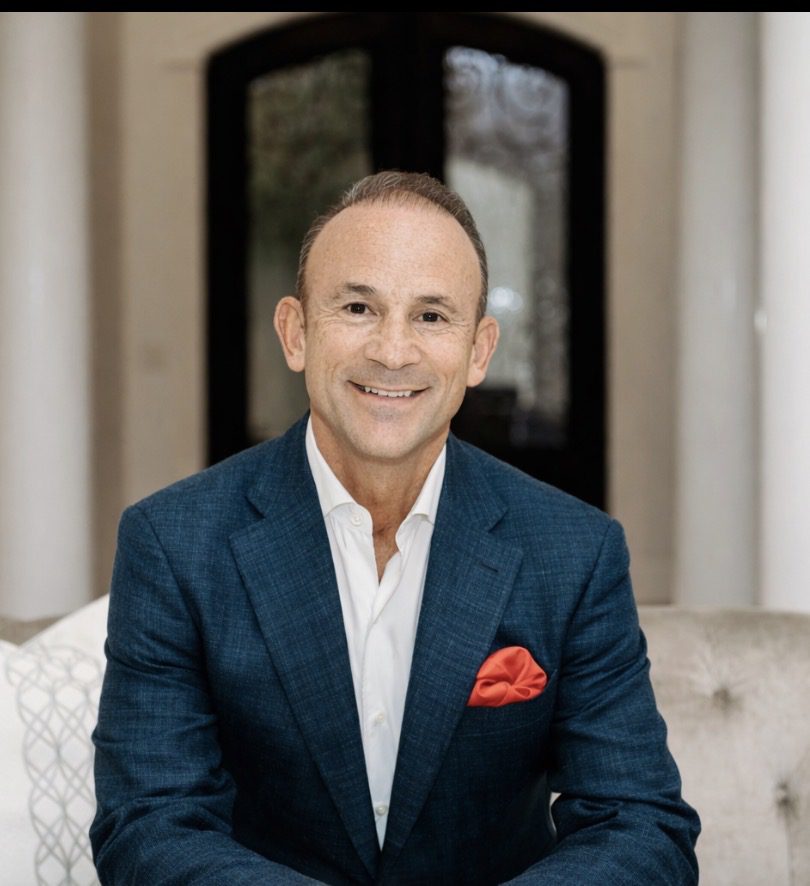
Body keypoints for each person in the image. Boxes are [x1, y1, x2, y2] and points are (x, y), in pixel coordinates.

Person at [90, 171, 700, 884]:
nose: (393, 350)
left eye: (432, 317)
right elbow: (148, 824)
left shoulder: (575, 551)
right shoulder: (172, 544)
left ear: (478, 351)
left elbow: (641, 822)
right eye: (357, 306)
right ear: (296, 332)